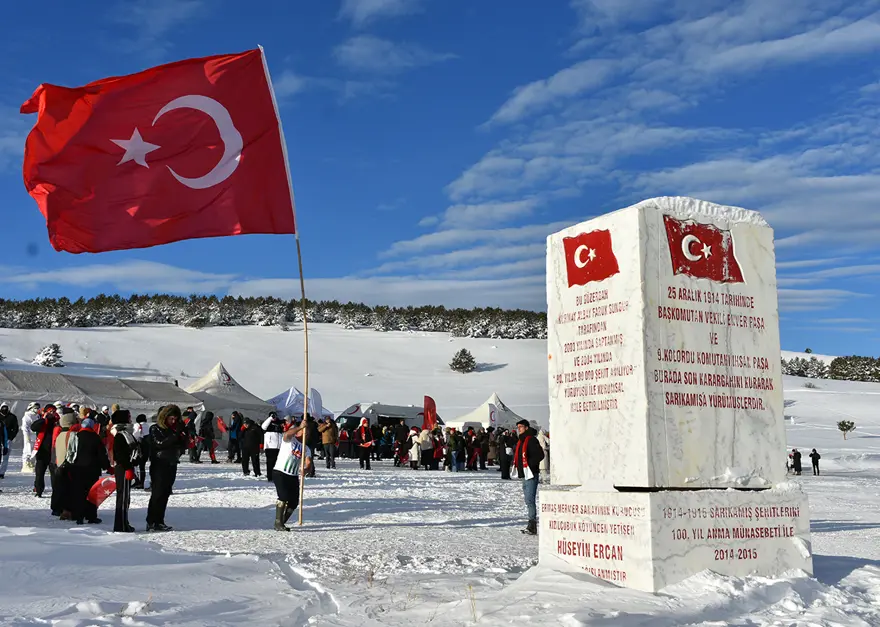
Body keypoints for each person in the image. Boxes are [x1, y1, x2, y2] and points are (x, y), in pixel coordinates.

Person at [146, 405, 184, 532]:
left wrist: (183, 437)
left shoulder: (174, 430)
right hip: (159, 464)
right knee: (157, 493)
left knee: (166, 493)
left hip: (171, 463)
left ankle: (159, 521)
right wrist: (175, 435)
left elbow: (181, 446)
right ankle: (151, 521)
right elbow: (160, 443)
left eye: (175, 419)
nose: (173, 421)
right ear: (165, 418)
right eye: (171, 419)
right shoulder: (155, 429)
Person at [271, 422, 313, 531]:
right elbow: (286, 434)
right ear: (298, 432)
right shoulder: (290, 440)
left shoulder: (306, 448)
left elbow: (308, 462)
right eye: (304, 432)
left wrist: (306, 469)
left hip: (293, 476)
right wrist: (300, 427)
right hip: (280, 472)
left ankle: (281, 521)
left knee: (294, 501)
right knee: (283, 496)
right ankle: (278, 523)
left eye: (307, 433)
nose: (306, 435)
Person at [69, 417, 110, 525]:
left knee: (78, 492)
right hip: (92, 469)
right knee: (92, 493)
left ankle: (79, 516)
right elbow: (101, 454)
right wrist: (106, 466)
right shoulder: (95, 438)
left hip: (77, 468)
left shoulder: (76, 436)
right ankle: (91, 516)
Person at [514, 419, 544, 535]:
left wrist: (529, 465)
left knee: (530, 500)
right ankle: (531, 524)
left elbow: (540, 455)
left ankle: (532, 525)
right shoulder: (521, 441)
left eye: (521, 427)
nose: (519, 429)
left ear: (526, 427)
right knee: (528, 500)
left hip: (531, 474)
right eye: (518, 427)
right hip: (524, 475)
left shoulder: (531, 440)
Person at [111, 409, 138, 532]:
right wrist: (128, 467)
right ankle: (120, 525)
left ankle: (124, 522)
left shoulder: (126, 434)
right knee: (122, 497)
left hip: (126, 467)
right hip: (123, 468)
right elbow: (120, 454)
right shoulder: (121, 435)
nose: (130, 419)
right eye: (128, 417)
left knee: (126, 497)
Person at [30, 405, 59, 497]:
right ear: (46, 412)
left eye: (53, 411)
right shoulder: (42, 422)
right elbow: (33, 427)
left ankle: (55, 491)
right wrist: (44, 419)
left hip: (53, 452)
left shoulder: (57, 421)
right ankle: (39, 490)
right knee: (39, 473)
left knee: (54, 474)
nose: (52, 413)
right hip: (42, 451)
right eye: (50, 411)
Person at [262, 412, 284, 482]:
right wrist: (270, 418)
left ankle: (276, 476)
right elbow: (263, 426)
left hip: (279, 446)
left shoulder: (279, 423)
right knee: (270, 463)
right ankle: (270, 476)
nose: (275, 417)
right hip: (270, 447)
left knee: (277, 463)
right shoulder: (268, 423)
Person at [0, 402, 18, 479]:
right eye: (3, 408)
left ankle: (1, 473)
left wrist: (11, 437)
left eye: (6, 408)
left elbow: (15, 428)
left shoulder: (12, 417)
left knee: (5, 456)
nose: (4, 410)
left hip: (7, 439)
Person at [21, 402, 40, 472]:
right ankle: (25, 465)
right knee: (27, 450)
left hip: (36, 436)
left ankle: (32, 464)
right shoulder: (27, 416)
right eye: (35, 408)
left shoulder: (38, 416)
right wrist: (26, 437)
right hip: (29, 436)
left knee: (34, 451)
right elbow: (25, 428)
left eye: (38, 408)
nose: (37, 409)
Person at [132, 414, 149, 489]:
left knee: (133, 465)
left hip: (138, 448)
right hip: (146, 448)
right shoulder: (148, 426)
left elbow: (134, 436)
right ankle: (142, 482)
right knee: (142, 466)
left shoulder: (136, 425)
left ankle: (137, 480)